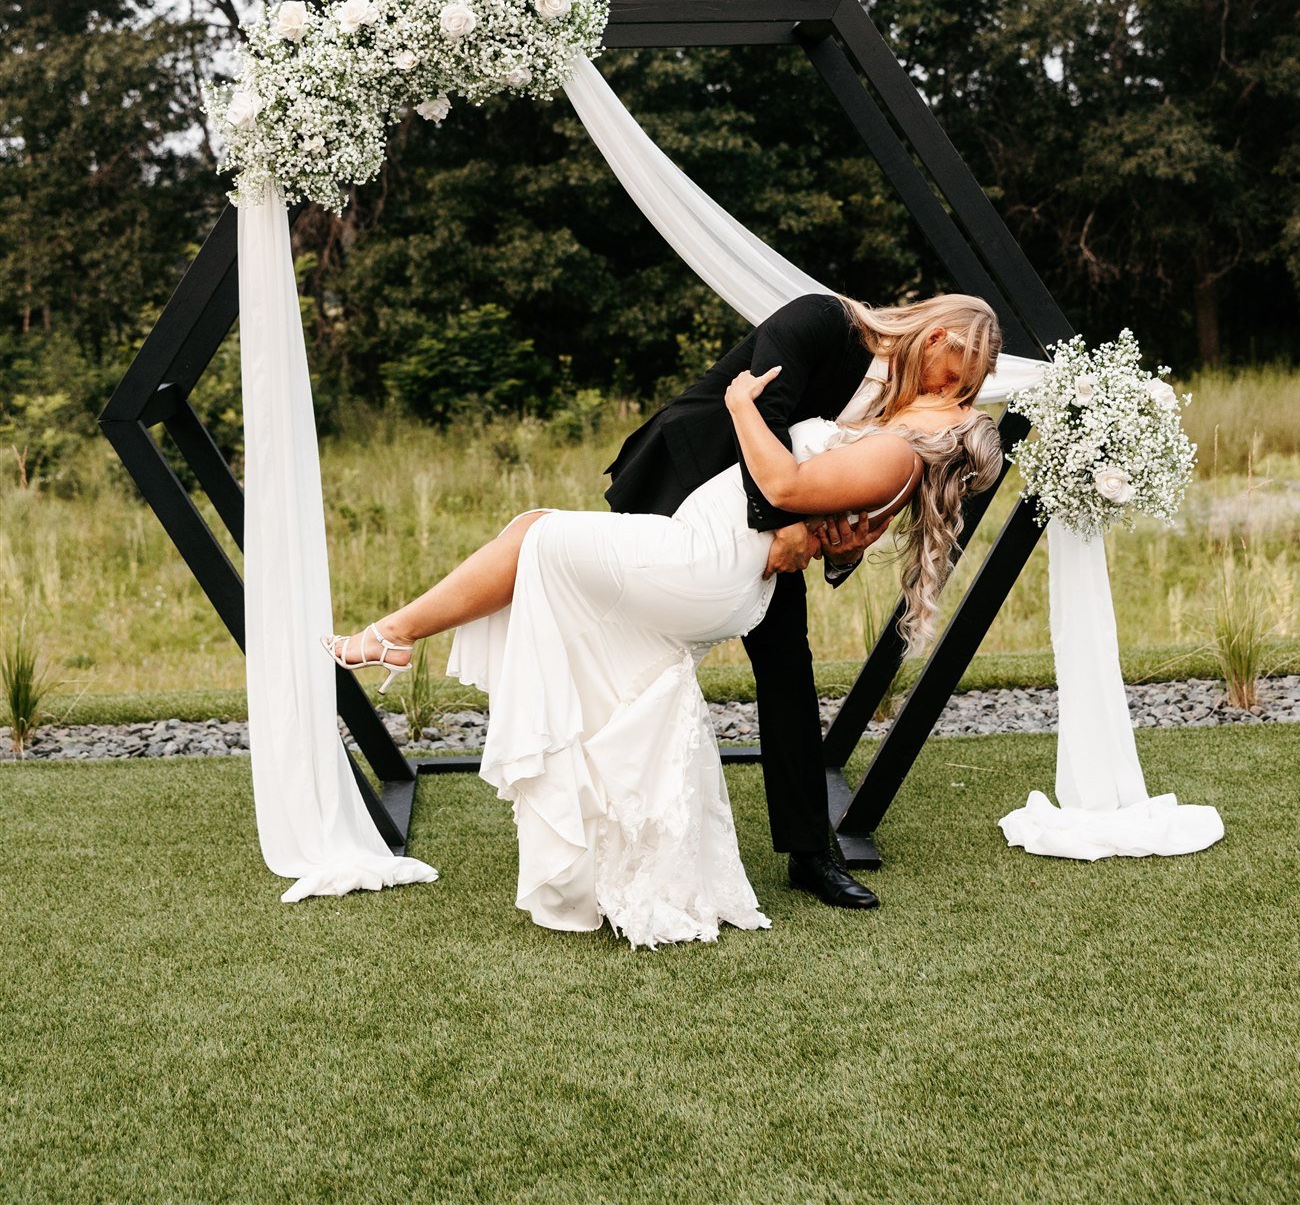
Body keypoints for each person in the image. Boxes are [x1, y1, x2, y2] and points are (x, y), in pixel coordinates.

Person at [324, 292, 1004, 947]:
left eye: (961, 393)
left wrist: (830, 540)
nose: (949, 397)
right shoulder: (821, 321)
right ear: (936, 336)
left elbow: (853, 494)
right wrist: (784, 532)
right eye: (952, 381)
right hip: (689, 480)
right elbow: (763, 418)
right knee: (624, 654)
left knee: (783, 665)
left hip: (753, 526)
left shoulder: (908, 418)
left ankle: (807, 851)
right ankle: (600, 824)